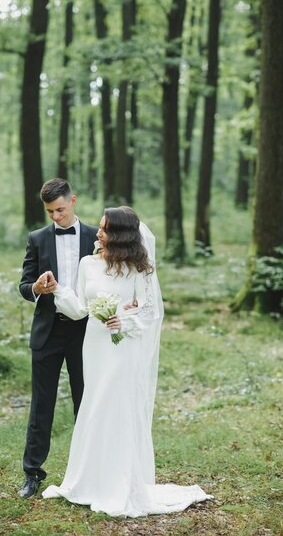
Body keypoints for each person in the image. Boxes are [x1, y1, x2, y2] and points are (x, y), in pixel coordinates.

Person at [41, 206, 212, 517]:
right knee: (95, 405)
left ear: (120, 234)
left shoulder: (139, 269)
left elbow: (150, 311)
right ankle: (88, 480)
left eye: (105, 228)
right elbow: (80, 308)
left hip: (124, 347)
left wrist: (124, 320)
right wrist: (59, 291)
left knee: (117, 406)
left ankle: (119, 483)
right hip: (95, 343)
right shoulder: (87, 264)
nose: (99, 232)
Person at [17, 178, 98, 499]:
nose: (55, 217)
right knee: (41, 406)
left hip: (86, 333)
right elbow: (24, 285)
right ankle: (32, 474)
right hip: (48, 333)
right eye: (50, 212)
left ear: (73, 201)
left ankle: (89, 471)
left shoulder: (96, 236)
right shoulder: (37, 239)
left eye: (60, 210)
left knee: (87, 403)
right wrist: (37, 288)